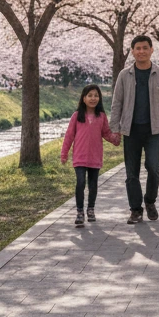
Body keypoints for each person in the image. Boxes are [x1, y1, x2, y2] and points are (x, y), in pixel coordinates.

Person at [111, 35, 159, 224]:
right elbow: (117, 103)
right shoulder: (124, 75)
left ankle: (149, 201)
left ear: (151, 50)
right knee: (131, 172)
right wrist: (114, 128)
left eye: (145, 48)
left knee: (153, 168)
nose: (141, 51)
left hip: (153, 130)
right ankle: (135, 209)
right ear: (132, 51)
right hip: (130, 130)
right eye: (138, 48)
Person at [60, 84, 119, 227]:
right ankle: (80, 211)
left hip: (95, 156)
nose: (93, 98)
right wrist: (64, 153)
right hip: (79, 157)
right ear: (84, 98)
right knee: (80, 182)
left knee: (93, 184)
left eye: (96, 95)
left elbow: (106, 133)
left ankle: (90, 209)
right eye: (90, 95)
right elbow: (69, 136)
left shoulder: (101, 116)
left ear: (99, 98)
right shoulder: (77, 116)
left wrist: (115, 139)